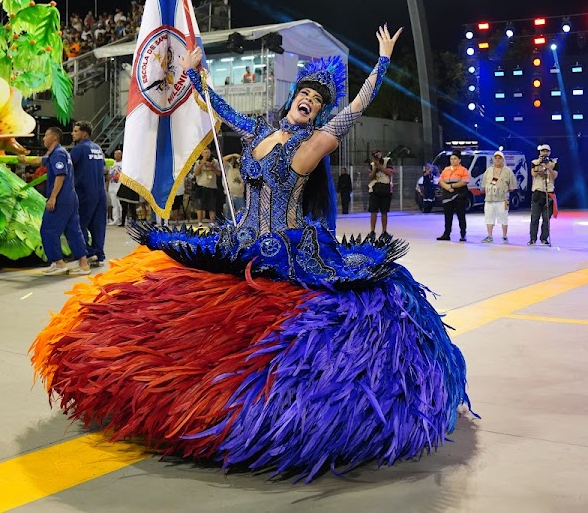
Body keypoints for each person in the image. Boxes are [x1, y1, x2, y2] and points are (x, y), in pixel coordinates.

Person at [32, 25, 470, 481]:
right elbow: (216, 106)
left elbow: (357, 108)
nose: (311, 104)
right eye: (306, 97)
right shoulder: (258, 128)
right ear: (293, 98)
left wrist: (381, 60)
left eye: (318, 104)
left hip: (288, 249)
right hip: (243, 238)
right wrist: (195, 72)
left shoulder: (315, 142)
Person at [19, 127, 91, 276]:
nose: (43, 138)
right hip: (70, 197)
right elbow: (40, 161)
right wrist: (25, 160)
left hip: (61, 198)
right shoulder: (59, 153)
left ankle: (58, 262)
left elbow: (60, 175)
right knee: (73, 231)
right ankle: (83, 264)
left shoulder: (58, 154)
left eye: (45, 135)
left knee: (48, 230)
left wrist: (52, 197)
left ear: (54, 138)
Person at [70, 121, 108, 266]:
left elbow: (67, 165)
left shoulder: (79, 149)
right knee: (98, 225)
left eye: (75, 131)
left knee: (78, 224)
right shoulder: (98, 148)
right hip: (100, 192)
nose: (73, 134)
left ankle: (88, 253)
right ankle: (99, 254)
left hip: (85, 192)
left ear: (84, 133)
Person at [481, 150, 517, 243]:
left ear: (503, 160)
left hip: (502, 199)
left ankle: (504, 236)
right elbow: (484, 183)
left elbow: (512, 186)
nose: (497, 160)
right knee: (489, 218)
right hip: (489, 199)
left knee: (504, 218)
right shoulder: (488, 170)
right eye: (495, 158)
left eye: (499, 158)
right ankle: (489, 236)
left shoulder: (508, 171)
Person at [436, 151, 471, 241]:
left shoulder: (463, 170)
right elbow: (441, 181)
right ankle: (446, 234)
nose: (453, 160)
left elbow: (464, 181)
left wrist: (452, 186)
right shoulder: (446, 169)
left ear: (459, 160)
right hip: (447, 194)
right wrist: (447, 187)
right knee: (448, 216)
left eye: (455, 158)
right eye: (451, 159)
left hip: (459, 195)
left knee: (461, 215)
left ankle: (463, 234)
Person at [529, 145, 557, 246]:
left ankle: (544, 238)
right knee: (535, 217)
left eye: (546, 151)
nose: (544, 153)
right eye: (543, 151)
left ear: (549, 152)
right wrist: (539, 166)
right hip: (537, 192)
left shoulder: (553, 163)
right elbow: (533, 174)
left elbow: (554, 176)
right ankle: (532, 238)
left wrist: (548, 168)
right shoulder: (534, 162)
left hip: (548, 193)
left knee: (546, 218)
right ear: (540, 152)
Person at [368, 150, 393, 236]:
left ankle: (384, 231)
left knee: (384, 211)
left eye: (378, 154)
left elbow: (389, 173)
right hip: (374, 189)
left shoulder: (387, 161)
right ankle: (372, 231)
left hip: (385, 188)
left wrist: (380, 166)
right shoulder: (372, 164)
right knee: (373, 211)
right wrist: (375, 167)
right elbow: (371, 177)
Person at [193, 147, 222, 223]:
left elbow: (219, 173)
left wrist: (212, 166)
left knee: (212, 207)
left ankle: (212, 222)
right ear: (202, 154)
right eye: (205, 152)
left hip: (212, 186)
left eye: (208, 152)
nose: (207, 154)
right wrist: (202, 163)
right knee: (200, 206)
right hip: (201, 186)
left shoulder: (215, 162)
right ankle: (200, 222)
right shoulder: (198, 162)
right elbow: (196, 173)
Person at [223, 153, 245, 220]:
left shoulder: (242, 170)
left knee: (242, 214)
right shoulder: (228, 168)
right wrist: (233, 155)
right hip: (230, 195)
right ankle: (228, 228)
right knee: (228, 215)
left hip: (240, 195)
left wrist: (240, 157)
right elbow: (223, 160)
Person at [108, 149, 123, 226]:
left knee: (120, 204)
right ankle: (115, 219)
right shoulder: (112, 163)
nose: (117, 155)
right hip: (112, 186)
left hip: (119, 186)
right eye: (115, 154)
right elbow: (109, 174)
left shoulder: (124, 163)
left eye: (118, 154)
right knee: (114, 204)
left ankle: (122, 219)